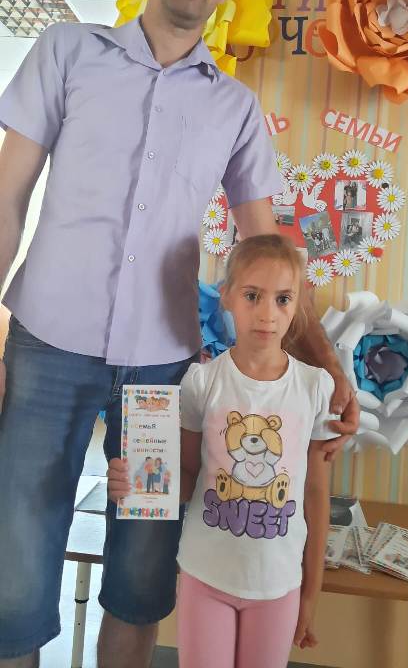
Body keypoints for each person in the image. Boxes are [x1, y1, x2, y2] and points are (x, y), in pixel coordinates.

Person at [0, 0, 358, 668]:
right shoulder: (66, 52)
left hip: (160, 381)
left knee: (140, 578)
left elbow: (268, 254)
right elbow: (7, 199)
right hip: (45, 355)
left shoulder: (235, 111)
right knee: (15, 575)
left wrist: (327, 367)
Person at [109, 234, 335, 668]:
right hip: (205, 576)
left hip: (277, 586)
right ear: (227, 296)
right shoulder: (202, 382)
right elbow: (186, 476)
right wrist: (139, 483)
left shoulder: (315, 388)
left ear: (297, 304)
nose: (267, 314)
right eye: (252, 296)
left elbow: (316, 497)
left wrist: (311, 594)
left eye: (283, 299)